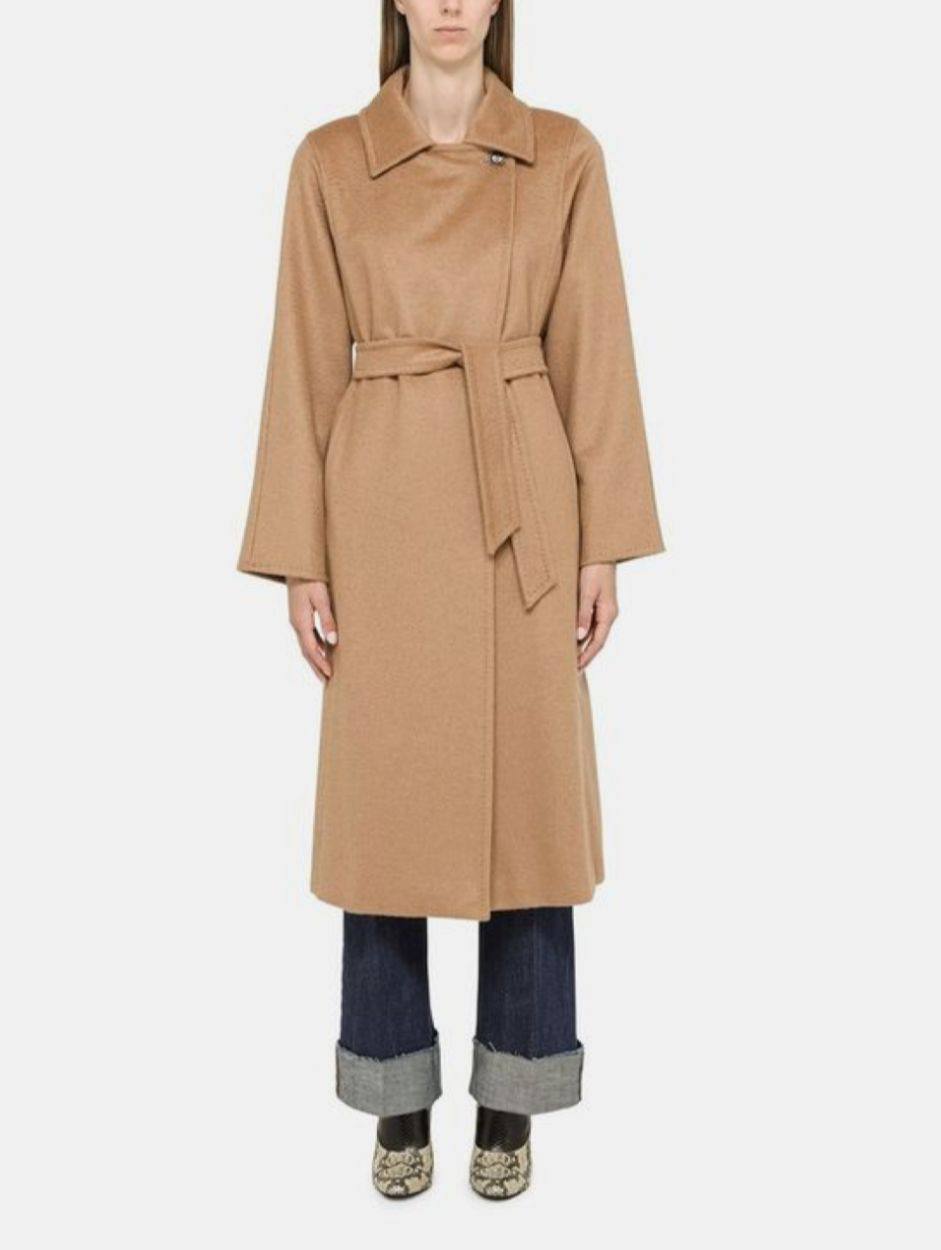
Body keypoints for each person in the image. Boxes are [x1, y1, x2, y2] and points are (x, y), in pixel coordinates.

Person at [238, 0, 663, 1200]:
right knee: (384, 809)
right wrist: (300, 554)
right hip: (378, 506)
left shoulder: (563, 153)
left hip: (525, 497)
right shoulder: (329, 160)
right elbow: (300, 357)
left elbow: (595, 349)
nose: (446, 4)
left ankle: (515, 1090)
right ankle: (392, 1089)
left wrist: (605, 542)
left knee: (528, 803)